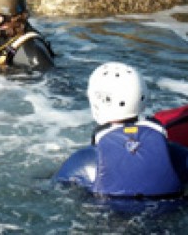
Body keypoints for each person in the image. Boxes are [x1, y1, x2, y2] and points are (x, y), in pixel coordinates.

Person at [54, 62, 188, 198]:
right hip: (167, 214)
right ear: (143, 96)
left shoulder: (85, 160)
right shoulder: (178, 155)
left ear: (96, 101)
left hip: (106, 216)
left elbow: (53, 189)